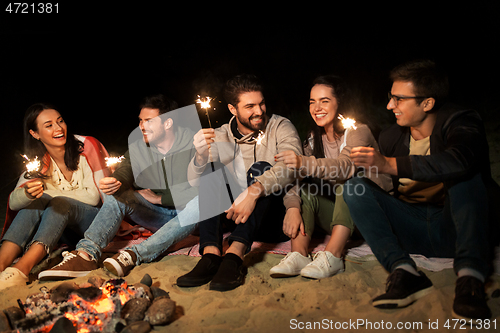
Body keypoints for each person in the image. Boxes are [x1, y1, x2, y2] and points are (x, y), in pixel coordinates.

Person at [344, 59, 499, 321]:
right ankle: (404, 271)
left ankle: (470, 281)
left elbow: (461, 159)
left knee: (465, 174)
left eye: (398, 99)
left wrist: (388, 164)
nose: (389, 105)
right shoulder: (391, 137)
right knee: (354, 187)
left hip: (456, 228)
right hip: (411, 228)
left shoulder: (461, 121)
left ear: (427, 103)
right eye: (390, 97)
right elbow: (383, 189)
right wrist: (367, 167)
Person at [39, 94, 199, 279]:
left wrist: (160, 198)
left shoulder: (194, 142)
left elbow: (204, 190)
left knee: (201, 203)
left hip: (190, 217)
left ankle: (134, 255)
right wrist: (115, 181)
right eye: (140, 121)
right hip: (157, 216)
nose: (141, 126)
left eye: (149, 121)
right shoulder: (139, 147)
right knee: (119, 196)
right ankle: (86, 254)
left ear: (168, 123)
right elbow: (126, 169)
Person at [176, 74, 302, 291]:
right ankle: (211, 256)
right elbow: (194, 181)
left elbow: (292, 167)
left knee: (261, 169)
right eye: (250, 106)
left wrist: (254, 191)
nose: (259, 111)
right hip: (235, 217)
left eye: (261, 103)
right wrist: (199, 157)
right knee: (211, 167)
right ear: (233, 109)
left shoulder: (281, 126)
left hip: (272, 219)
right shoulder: (220, 134)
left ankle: (234, 256)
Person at [270, 75, 392, 279]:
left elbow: (344, 168)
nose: (316, 108)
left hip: (374, 214)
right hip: (341, 218)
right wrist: (292, 206)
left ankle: (333, 255)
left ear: (340, 103)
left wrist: (302, 162)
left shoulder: (357, 130)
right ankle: (299, 253)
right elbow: (296, 175)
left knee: (350, 183)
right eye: (312, 102)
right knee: (307, 190)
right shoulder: (313, 137)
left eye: (324, 101)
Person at [0, 103, 108, 289]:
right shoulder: (39, 163)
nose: (58, 128)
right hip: (62, 229)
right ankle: (2, 263)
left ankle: (21, 269)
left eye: (60, 121)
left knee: (56, 202)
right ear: (35, 134)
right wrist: (27, 193)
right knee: (32, 202)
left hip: (94, 223)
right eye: (49, 125)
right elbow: (13, 202)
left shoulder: (86, 148)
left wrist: (46, 193)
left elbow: (93, 198)